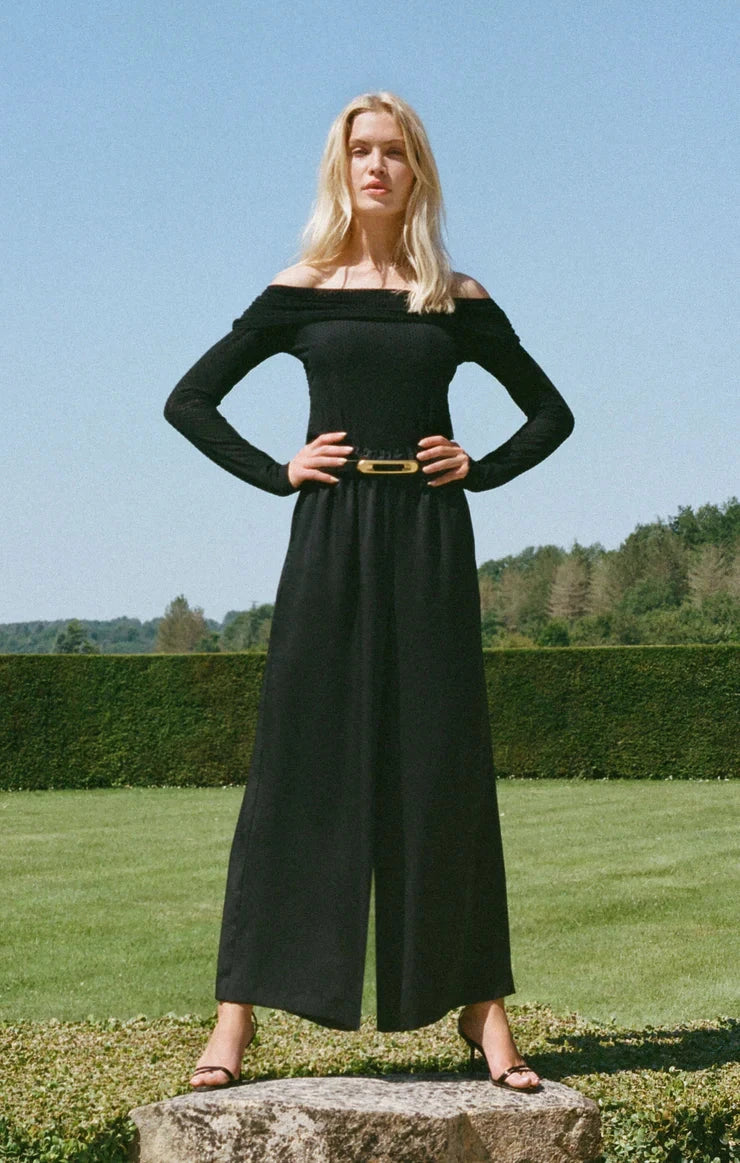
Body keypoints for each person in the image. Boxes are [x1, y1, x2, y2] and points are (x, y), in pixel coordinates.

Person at [164, 91, 574, 1094]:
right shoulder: (301, 288)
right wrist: (280, 470)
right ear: (340, 167)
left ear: (416, 168)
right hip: (330, 535)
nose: (376, 166)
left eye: (393, 150)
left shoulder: (454, 296)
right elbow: (190, 400)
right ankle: (233, 1019)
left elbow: (550, 413)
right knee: (295, 767)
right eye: (361, 151)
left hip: (430, 539)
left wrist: (477, 467)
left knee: (442, 766)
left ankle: (484, 1012)